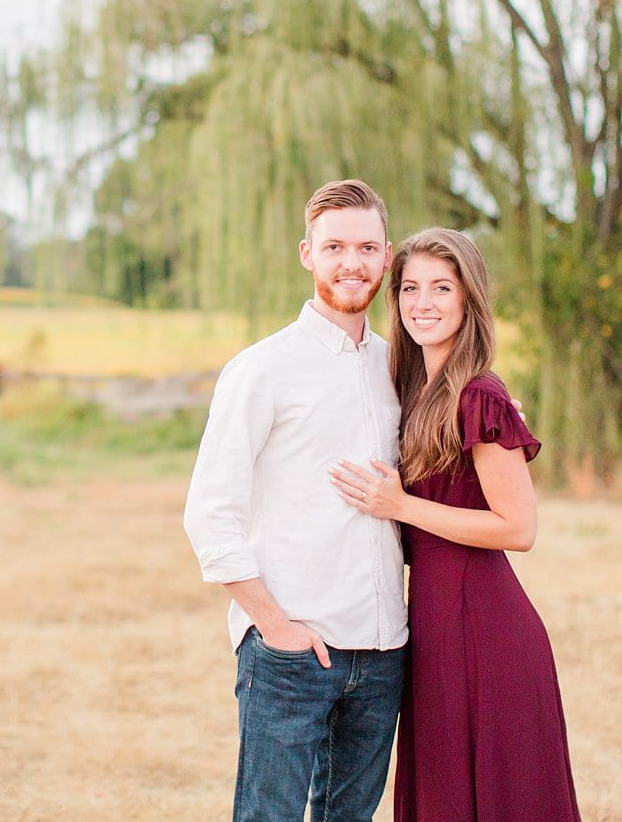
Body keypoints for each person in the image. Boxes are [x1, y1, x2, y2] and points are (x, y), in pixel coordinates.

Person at [330, 228, 582, 822]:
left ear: (469, 300)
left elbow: (519, 528)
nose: (424, 303)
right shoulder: (413, 393)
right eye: (411, 288)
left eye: (442, 287)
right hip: (433, 627)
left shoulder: (480, 396)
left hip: (485, 629)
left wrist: (402, 506)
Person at [184, 179, 409, 822]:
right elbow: (209, 512)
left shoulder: (397, 369)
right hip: (291, 650)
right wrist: (274, 625)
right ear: (307, 253)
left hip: (384, 647)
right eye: (334, 246)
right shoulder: (261, 369)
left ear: (386, 257)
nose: (352, 263)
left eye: (367, 247)